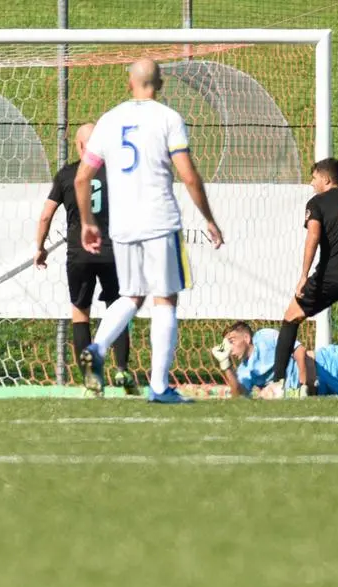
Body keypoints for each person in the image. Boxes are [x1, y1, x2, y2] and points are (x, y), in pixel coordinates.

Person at [73, 58, 224, 404]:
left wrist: (87, 222)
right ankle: (158, 387)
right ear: (161, 84)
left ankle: (97, 347)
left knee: (131, 296)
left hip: (123, 225)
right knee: (165, 299)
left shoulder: (109, 120)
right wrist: (209, 218)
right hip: (159, 220)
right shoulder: (168, 118)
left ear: (130, 83)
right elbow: (188, 174)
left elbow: (82, 177)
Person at [263, 157, 338, 398]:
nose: (312, 182)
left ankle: (276, 383)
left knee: (291, 317)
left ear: (326, 179)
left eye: (314, 177)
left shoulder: (317, 202)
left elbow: (313, 238)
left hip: (330, 276)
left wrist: (303, 276)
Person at [34, 123, 135, 393]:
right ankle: (122, 369)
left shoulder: (67, 174)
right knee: (118, 309)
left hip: (79, 254)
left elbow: (46, 215)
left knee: (80, 314)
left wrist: (40, 247)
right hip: (113, 252)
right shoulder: (116, 173)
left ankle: (91, 378)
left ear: (79, 146)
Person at [211, 322, 312, 398]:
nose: (229, 349)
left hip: (321, 365)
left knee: (310, 357)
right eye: (226, 345)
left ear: (246, 338)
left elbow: (299, 350)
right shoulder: (244, 370)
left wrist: (303, 384)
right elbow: (239, 395)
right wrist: (225, 364)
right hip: (299, 393)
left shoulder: (265, 337)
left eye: (231, 341)